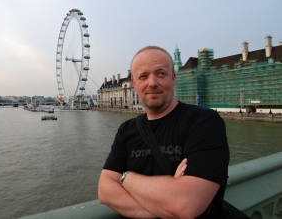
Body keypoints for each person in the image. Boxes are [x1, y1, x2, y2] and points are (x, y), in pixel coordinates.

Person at [98, 46, 230, 219]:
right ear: (134, 83)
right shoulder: (126, 130)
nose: (152, 83)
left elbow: (185, 204)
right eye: (143, 76)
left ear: (173, 78)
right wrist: (168, 201)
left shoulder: (204, 122)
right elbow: (104, 191)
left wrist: (125, 178)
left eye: (160, 74)